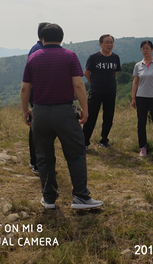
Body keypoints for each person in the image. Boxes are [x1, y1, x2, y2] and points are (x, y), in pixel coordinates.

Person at [20, 23, 102, 210]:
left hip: (40, 112)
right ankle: (81, 196)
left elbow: (25, 88)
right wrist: (85, 109)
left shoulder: (33, 58)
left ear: (42, 39)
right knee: (75, 153)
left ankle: (48, 198)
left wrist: (26, 111)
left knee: (44, 156)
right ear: (62, 38)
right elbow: (79, 85)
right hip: (64, 112)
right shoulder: (69, 56)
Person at [83, 34, 121, 149]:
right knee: (91, 117)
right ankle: (84, 142)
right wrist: (94, 84)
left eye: (111, 42)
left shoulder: (115, 57)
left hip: (110, 91)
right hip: (96, 91)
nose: (109, 45)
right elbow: (86, 73)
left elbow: (115, 73)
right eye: (107, 42)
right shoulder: (94, 57)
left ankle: (104, 140)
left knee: (108, 117)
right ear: (100, 44)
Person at [131, 40, 153, 157]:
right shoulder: (138, 65)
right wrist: (133, 98)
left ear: (152, 49)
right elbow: (135, 82)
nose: (145, 50)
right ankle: (143, 147)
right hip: (141, 97)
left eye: (147, 48)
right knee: (141, 123)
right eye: (143, 48)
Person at [27, 22, 50, 175]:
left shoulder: (37, 48)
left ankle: (36, 160)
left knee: (38, 126)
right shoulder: (39, 50)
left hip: (37, 92)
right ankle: (36, 162)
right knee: (37, 127)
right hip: (39, 93)